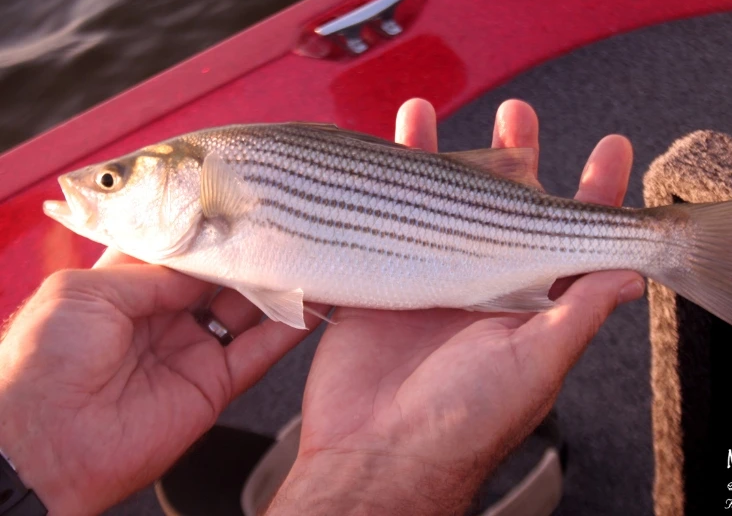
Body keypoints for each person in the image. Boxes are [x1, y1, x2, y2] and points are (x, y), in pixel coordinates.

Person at [0, 99, 644, 516]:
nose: (88, 190)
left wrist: (31, 452)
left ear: (190, 183)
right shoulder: (210, 195)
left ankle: (668, 243)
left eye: (111, 181)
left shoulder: (215, 179)